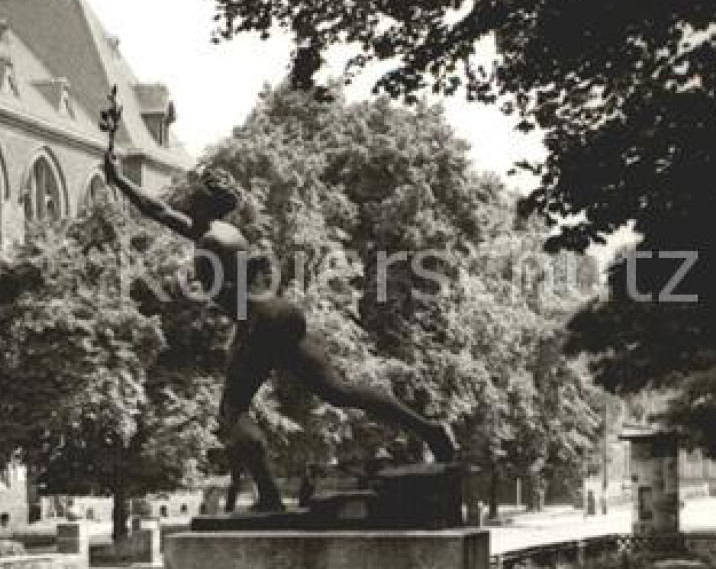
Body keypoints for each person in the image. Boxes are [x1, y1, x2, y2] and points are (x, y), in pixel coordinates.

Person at [100, 98, 454, 512]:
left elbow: (173, 230)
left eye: (194, 198)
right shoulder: (223, 231)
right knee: (338, 390)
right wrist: (119, 179)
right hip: (281, 312)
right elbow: (163, 214)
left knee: (231, 413)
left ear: (203, 204)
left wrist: (119, 180)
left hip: (259, 319)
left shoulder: (210, 240)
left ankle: (268, 497)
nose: (187, 203)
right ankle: (430, 430)